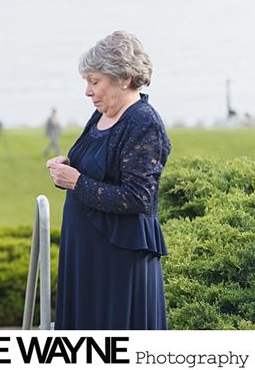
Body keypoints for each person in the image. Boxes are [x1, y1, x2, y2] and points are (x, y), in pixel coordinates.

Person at [48, 31, 170, 330]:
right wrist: (66, 167)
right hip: (85, 253)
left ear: (124, 78)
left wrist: (77, 182)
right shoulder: (102, 114)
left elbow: (138, 198)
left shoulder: (143, 122)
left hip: (117, 258)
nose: (88, 92)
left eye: (94, 81)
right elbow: (97, 167)